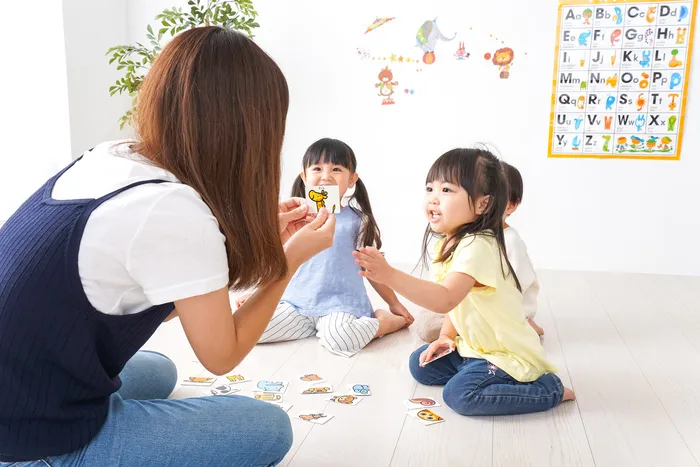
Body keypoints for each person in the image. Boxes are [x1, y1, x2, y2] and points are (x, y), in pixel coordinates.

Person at [0, 26, 334, 465]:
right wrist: (287, 263)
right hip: (32, 437)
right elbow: (222, 355)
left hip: (22, 384)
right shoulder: (170, 207)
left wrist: (259, 238)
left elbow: (170, 278)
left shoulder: (114, 158)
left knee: (160, 370)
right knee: (269, 428)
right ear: (247, 129)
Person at [353, 148, 574, 416]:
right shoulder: (452, 242)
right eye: (430, 188)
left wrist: (389, 275)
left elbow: (445, 297)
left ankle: (549, 390)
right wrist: (446, 336)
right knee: (419, 364)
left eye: (447, 190)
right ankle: (473, 368)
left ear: (483, 204)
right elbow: (457, 305)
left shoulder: (479, 246)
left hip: (506, 353)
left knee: (460, 396)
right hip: (476, 347)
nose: (434, 198)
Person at [237, 138, 413, 357]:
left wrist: (393, 303)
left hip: (339, 304)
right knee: (250, 332)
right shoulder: (294, 218)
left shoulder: (359, 221)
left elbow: (372, 269)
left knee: (342, 340)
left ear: (351, 180)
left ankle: (385, 322)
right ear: (304, 176)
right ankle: (313, 326)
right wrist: (257, 293)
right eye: (317, 168)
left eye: (336, 169)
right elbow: (281, 261)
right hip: (296, 303)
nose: (326, 175)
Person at [502, 162, 544, 336]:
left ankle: (526, 324)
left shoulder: (510, 240)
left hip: (510, 307)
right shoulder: (472, 237)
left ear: (511, 205)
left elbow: (520, 283)